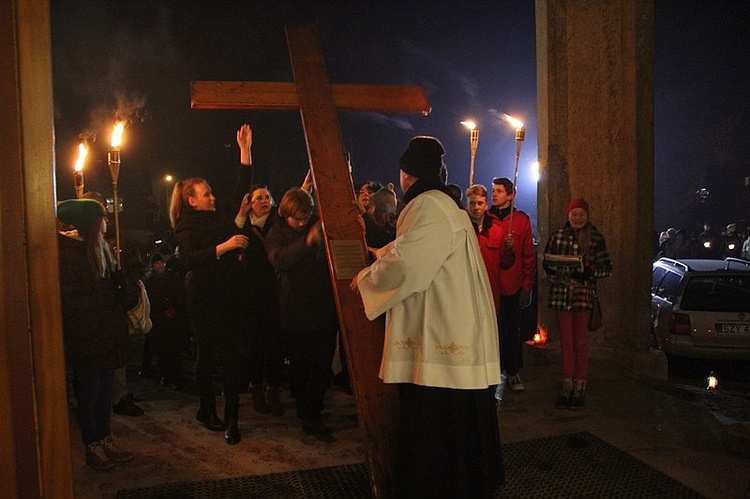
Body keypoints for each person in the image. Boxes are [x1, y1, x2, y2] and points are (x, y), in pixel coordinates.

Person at [353, 136, 503, 498]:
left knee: (437, 427)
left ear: (406, 174)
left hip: (445, 334)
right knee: (455, 425)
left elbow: (409, 264)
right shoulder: (442, 205)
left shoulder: (428, 206)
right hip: (453, 327)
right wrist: (380, 252)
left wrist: (365, 279)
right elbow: (411, 247)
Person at [57, 198, 134, 470]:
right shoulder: (70, 256)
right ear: (91, 223)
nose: (106, 223)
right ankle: (92, 444)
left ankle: (104, 437)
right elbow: (76, 301)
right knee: (89, 396)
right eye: (102, 218)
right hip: (87, 338)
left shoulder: (102, 250)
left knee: (104, 394)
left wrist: (121, 286)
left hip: (104, 336)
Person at [171, 178, 249, 445]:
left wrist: (245, 156)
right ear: (192, 201)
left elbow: (240, 191)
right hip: (204, 301)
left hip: (228, 299)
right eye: (207, 194)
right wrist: (224, 248)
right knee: (206, 358)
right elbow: (189, 257)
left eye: (212, 191)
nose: (213, 197)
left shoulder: (219, 219)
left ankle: (232, 419)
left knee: (231, 360)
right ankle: (207, 409)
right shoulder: (186, 225)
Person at [264, 187, 339, 441]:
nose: (302, 223)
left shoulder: (315, 224)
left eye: (305, 218)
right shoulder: (276, 234)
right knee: (300, 365)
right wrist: (307, 242)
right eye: (297, 219)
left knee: (320, 365)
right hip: (295, 311)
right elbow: (279, 260)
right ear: (286, 214)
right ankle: (303, 405)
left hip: (323, 308)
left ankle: (312, 414)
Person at [233, 123, 285, 416]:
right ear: (249, 204)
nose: (265, 201)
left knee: (276, 344)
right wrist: (245, 150)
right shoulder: (242, 228)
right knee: (255, 345)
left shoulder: (278, 225)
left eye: (267, 197)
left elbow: (297, 205)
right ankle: (256, 387)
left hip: (275, 293)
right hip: (252, 295)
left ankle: (275, 388)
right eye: (259, 198)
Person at [542, 198, 612, 410]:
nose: (577, 217)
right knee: (566, 341)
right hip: (562, 293)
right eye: (574, 213)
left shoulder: (595, 237)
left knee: (580, 341)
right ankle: (567, 384)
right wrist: (552, 269)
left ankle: (580, 385)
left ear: (587, 215)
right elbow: (547, 262)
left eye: (581, 213)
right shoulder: (557, 235)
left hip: (583, 294)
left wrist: (590, 273)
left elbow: (607, 267)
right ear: (568, 214)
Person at [488, 177, 536, 392]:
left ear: (510, 195)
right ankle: (493, 369)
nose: (494, 194)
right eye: (493, 190)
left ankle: (514, 370)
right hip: (489, 286)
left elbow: (528, 255)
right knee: (491, 330)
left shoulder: (521, 220)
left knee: (511, 330)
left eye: (499, 191)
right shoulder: (486, 219)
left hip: (511, 286)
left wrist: (527, 285)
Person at [144, 252, 186, 390]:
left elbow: (180, 294)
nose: (159, 265)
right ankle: (165, 375)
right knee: (162, 350)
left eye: (161, 263)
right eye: (156, 263)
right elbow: (150, 300)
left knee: (174, 349)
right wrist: (163, 309)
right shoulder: (149, 282)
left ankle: (175, 376)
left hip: (173, 320)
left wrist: (174, 308)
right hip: (159, 320)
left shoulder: (173, 278)